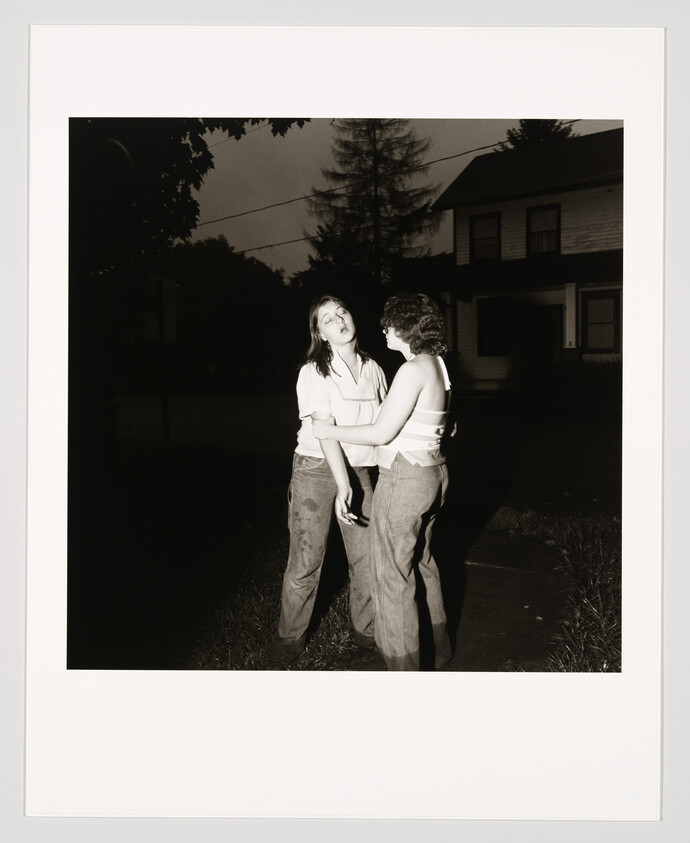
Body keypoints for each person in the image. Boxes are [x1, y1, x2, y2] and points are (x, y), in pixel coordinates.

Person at [313, 292, 453, 671]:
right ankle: (441, 648)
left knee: (392, 579)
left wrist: (332, 428)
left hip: (406, 481)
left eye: (389, 324)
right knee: (423, 561)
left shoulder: (411, 369)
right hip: (434, 477)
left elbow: (380, 432)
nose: (384, 330)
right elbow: (443, 422)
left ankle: (402, 671)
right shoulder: (437, 365)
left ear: (405, 327)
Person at [269, 295, 388, 665]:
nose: (339, 321)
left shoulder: (373, 368)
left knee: (367, 558)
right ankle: (289, 643)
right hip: (317, 469)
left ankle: (366, 633)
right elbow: (325, 431)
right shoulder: (314, 372)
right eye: (327, 319)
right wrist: (343, 484)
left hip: (360, 470)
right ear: (319, 333)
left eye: (343, 312)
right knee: (306, 560)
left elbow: (386, 425)